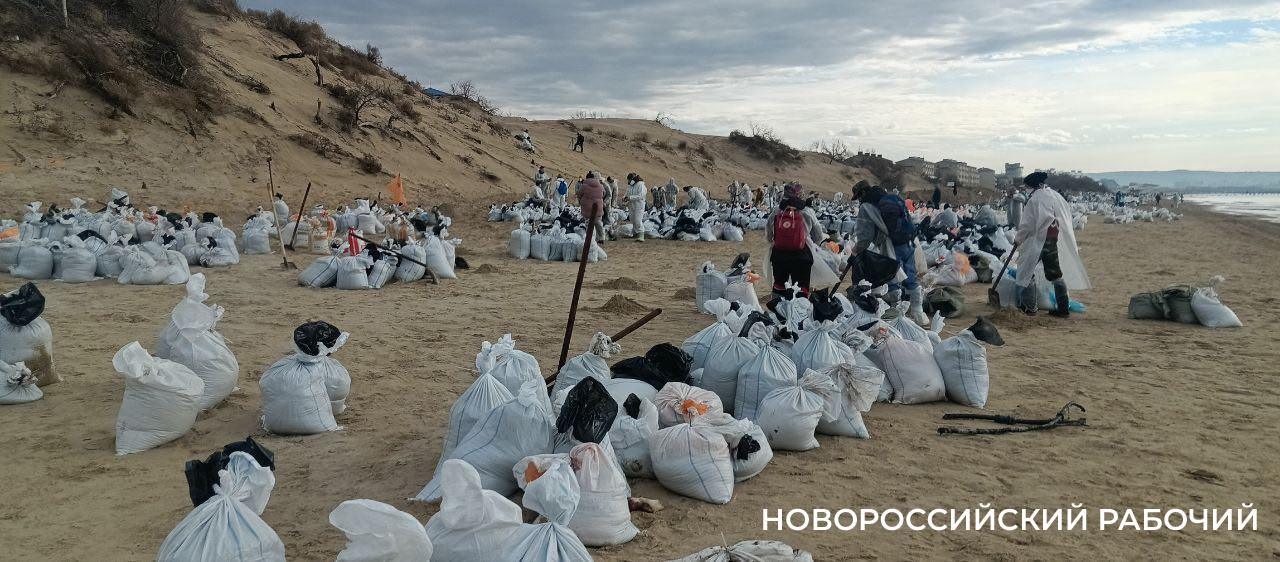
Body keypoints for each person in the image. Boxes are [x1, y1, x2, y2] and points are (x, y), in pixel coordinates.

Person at [1014, 172, 1090, 318]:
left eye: (1028, 187)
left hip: (1038, 240)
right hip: (1052, 240)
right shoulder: (1055, 196)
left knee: (1026, 271)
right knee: (1055, 274)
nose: (1026, 190)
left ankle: (1030, 308)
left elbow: (1028, 224)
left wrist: (1018, 239)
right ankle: (1063, 308)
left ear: (1034, 186)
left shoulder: (1035, 200)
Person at [852, 184, 927, 326]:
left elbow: (864, 236)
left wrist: (856, 251)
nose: (859, 200)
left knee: (892, 277)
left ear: (862, 193)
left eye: (858, 196)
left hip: (890, 245)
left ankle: (895, 313)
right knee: (911, 276)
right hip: (908, 240)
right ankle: (918, 313)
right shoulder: (892, 198)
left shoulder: (866, 207)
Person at [767, 184, 823, 297]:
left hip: (780, 254)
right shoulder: (807, 211)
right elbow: (818, 235)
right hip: (802, 255)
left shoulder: (778, 210)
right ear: (801, 195)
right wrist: (813, 245)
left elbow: (769, 229)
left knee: (779, 285)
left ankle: (778, 311)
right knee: (801, 287)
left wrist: (774, 240)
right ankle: (799, 311)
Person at [577, 171, 606, 243]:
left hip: (587, 208)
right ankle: (601, 237)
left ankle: (591, 239)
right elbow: (604, 193)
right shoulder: (600, 185)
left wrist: (580, 201)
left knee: (589, 224)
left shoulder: (584, 186)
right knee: (598, 223)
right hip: (598, 207)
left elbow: (579, 194)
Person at [625, 174, 647, 241]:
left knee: (638, 220)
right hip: (632, 205)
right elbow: (627, 193)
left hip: (639, 205)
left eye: (629, 179)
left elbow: (640, 195)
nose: (628, 181)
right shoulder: (630, 186)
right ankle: (635, 233)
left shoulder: (640, 185)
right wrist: (625, 197)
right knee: (633, 219)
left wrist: (630, 198)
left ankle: (641, 235)